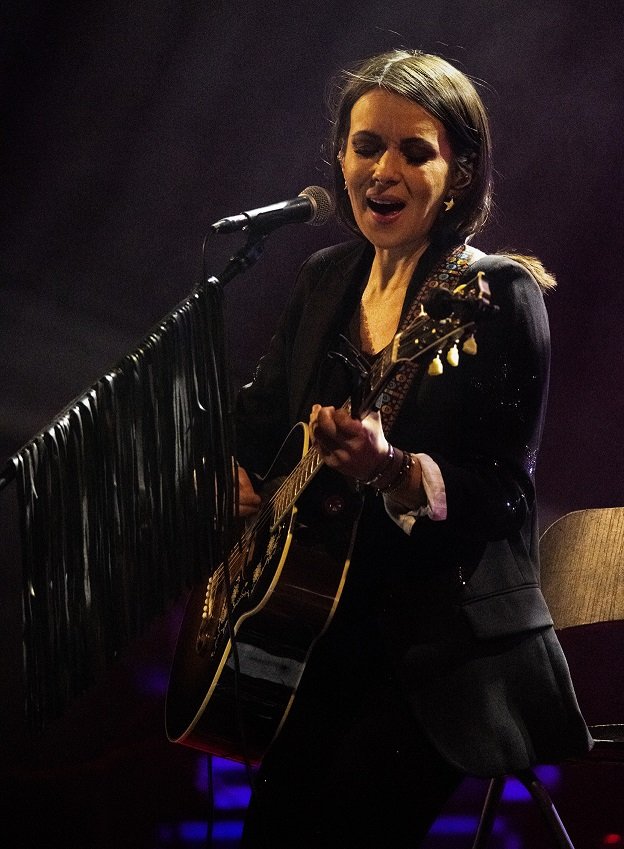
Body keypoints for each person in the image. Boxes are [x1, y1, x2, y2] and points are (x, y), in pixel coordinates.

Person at [232, 48, 592, 847]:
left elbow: (504, 496)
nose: (383, 170)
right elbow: (254, 422)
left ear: (457, 174)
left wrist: (391, 470)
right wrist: (236, 477)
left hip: (441, 654)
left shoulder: (498, 294)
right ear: (340, 158)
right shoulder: (325, 279)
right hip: (317, 639)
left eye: (414, 151)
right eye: (366, 146)